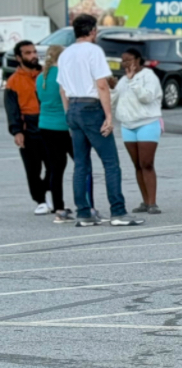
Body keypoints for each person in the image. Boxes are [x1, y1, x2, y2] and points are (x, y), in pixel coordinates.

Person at [57, 14, 142, 227]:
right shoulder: (94, 51)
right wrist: (109, 116)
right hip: (91, 107)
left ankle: (83, 213)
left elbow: (62, 88)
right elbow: (102, 85)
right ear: (93, 31)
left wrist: (69, 113)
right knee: (111, 162)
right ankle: (118, 212)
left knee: (81, 164)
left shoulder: (65, 54)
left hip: (74, 106)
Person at [110, 47, 163, 214]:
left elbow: (147, 97)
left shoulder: (148, 76)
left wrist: (133, 81)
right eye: (123, 60)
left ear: (138, 60)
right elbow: (113, 102)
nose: (125, 63)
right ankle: (145, 201)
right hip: (128, 125)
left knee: (146, 163)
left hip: (147, 123)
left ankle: (153, 202)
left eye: (129, 60)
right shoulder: (123, 80)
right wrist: (112, 88)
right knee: (137, 165)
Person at [36, 45, 79, 223]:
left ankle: (59, 208)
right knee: (82, 164)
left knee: (56, 169)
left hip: (45, 125)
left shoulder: (40, 78)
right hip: (64, 126)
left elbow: (41, 99)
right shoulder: (64, 75)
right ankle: (85, 204)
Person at [5, 40, 49, 214]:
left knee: (55, 165)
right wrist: (16, 131)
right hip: (27, 127)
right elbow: (11, 109)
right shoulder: (13, 82)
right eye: (28, 53)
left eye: (34, 52)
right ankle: (41, 201)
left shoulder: (45, 75)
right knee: (33, 168)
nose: (33, 56)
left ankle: (47, 189)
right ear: (19, 57)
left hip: (48, 124)